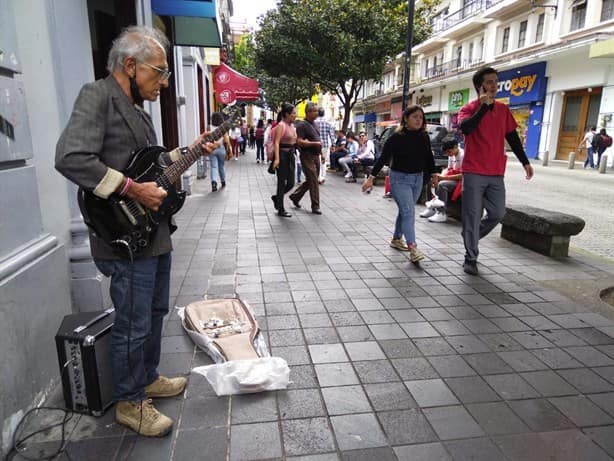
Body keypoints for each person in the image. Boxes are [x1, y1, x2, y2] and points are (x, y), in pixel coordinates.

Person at [55, 26, 215, 437]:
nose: (164, 83)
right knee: (132, 321)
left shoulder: (140, 112)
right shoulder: (97, 97)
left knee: (155, 312)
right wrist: (130, 189)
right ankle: (130, 401)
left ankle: (146, 378)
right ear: (130, 64)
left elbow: (152, 168)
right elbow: (71, 158)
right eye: (159, 72)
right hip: (122, 236)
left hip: (152, 233)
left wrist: (193, 150)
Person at [458, 66, 534, 275]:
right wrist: (483, 107)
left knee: (497, 213)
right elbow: (466, 129)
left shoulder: (503, 110)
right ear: (479, 86)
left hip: (495, 172)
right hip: (473, 171)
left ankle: (469, 236)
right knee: (473, 215)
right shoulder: (469, 108)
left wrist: (525, 162)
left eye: (495, 81)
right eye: (489, 82)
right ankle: (470, 257)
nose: (494, 85)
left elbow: (512, 138)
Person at [362, 105, 436, 263]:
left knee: (405, 211)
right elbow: (383, 158)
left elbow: (429, 157)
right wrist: (371, 177)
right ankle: (413, 247)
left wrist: (434, 174)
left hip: (418, 179)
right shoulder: (396, 137)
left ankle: (396, 239)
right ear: (406, 119)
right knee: (409, 211)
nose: (418, 120)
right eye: (415, 116)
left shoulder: (424, 136)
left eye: (421, 117)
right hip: (399, 179)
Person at [289, 102, 324, 214]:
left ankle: (295, 196)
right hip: (307, 155)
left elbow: (318, 140)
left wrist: (321, 153)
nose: (317, 113)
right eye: (315, 111)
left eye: (317, 111)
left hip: (316, 155)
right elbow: (299, 141)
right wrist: (313, 144)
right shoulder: (302, 125)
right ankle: (315, 205)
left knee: (311, 180)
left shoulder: (315, 124)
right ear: (308, 112)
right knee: (313, 180)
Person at [420, 138, 463, 223]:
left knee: (442, 184)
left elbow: (463, 175)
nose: (448, 154)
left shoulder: (463, 155)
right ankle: (432, 208)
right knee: (432, 181)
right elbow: (449, 169)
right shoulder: (452, 155)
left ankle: (441, 212)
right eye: (447, 152)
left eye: (449, 152)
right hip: (453, 177)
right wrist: (439, 176)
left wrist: (443, 178)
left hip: (461, 181)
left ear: (456, 147)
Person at [271, 103, 298, 217]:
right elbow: (276, 143)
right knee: (281, 183)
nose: (295, 115)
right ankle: (281, 208)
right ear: (287, 114)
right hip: (282, 155)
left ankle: (277, 198)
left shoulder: (292, 126)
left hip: (290, 155)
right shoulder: (281, 125)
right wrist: (277, 159)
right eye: (293, 113)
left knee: (291, 183)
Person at [315, 108, 336, 184]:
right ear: (324, 114)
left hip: (315, 144)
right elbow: (332, 135)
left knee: (317, 160)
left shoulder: (314, 122)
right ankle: (323, 177)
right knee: (323, 161)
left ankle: (318, 176)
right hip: (325, 145)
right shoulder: (328, 123)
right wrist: (333, 145)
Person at [209, 112, 228, 192]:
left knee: (214, 166)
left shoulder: (209, 127)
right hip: (221, 148)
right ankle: (223, 181)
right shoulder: (223, 127)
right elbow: (226, 140)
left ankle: (214, 182)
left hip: (212, 148)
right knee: (221, 166)